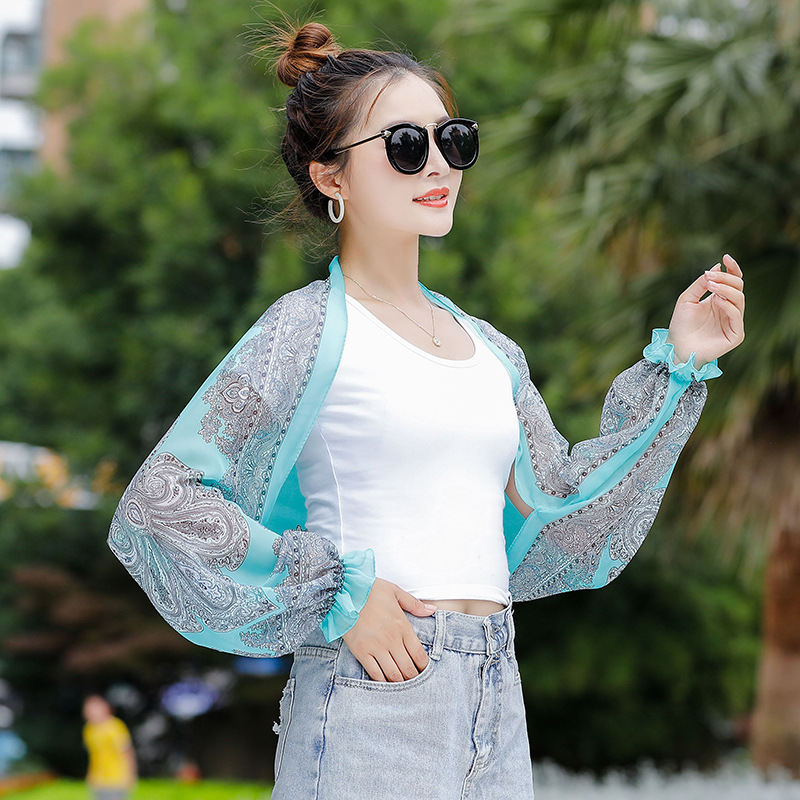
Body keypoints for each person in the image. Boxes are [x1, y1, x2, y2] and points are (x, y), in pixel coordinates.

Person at [106, 16, 745, 800]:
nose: (439, 163)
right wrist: (340, 594)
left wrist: (679, 366)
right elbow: (162, 498)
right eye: (406, 145)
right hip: (372, 690)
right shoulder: (304, 331)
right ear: (332, 177)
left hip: (495, 685)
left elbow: (567, 503)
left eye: (454, 139)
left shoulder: (490, 349)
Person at [81, 695, 137, 800]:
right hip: (98, 780)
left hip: (116, 779)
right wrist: (90, 776)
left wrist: (130, 775)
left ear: (106, 708)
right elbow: (93, 755)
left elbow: (127, 752)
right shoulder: (89, 729)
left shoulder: (115, 727)